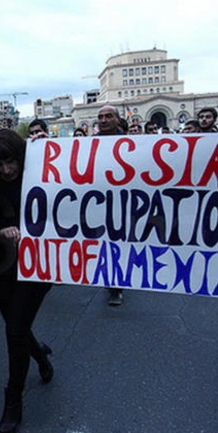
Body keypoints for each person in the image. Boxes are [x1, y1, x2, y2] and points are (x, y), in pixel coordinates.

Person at [0, 128, 54, 433]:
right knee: (16, 327)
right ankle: (40, 356)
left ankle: (13, 399)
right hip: (2, 266)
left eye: (11, 162)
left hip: (37, 267)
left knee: (15, 329)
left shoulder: (43, 178)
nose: (6, 170)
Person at [95, 106, 127, 305]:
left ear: (117, 119)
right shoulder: (88, 144)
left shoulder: (133, 143)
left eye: (108, 116)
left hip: (124, 202)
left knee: (118, 243)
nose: (104, 120)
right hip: (98, 202)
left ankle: (116, 286)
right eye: (100, 117)